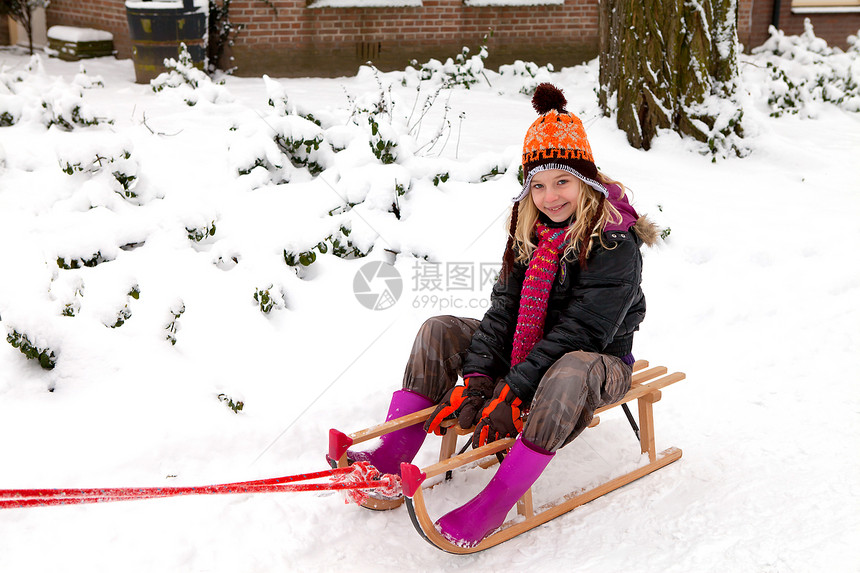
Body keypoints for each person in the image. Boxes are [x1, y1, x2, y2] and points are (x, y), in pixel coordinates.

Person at [341, 83, 658, 547]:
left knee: (568, 370)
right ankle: (394, 457)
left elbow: (582, 330)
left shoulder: (614, 241)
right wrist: (475, 377)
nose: (550, 198)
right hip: (531, 356)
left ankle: (496, 500)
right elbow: (505, 311)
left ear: (587, 181)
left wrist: (514, 386)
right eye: (539, 185)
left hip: (596, 361)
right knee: (440, 330)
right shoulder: (527, 232)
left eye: (562, 182)